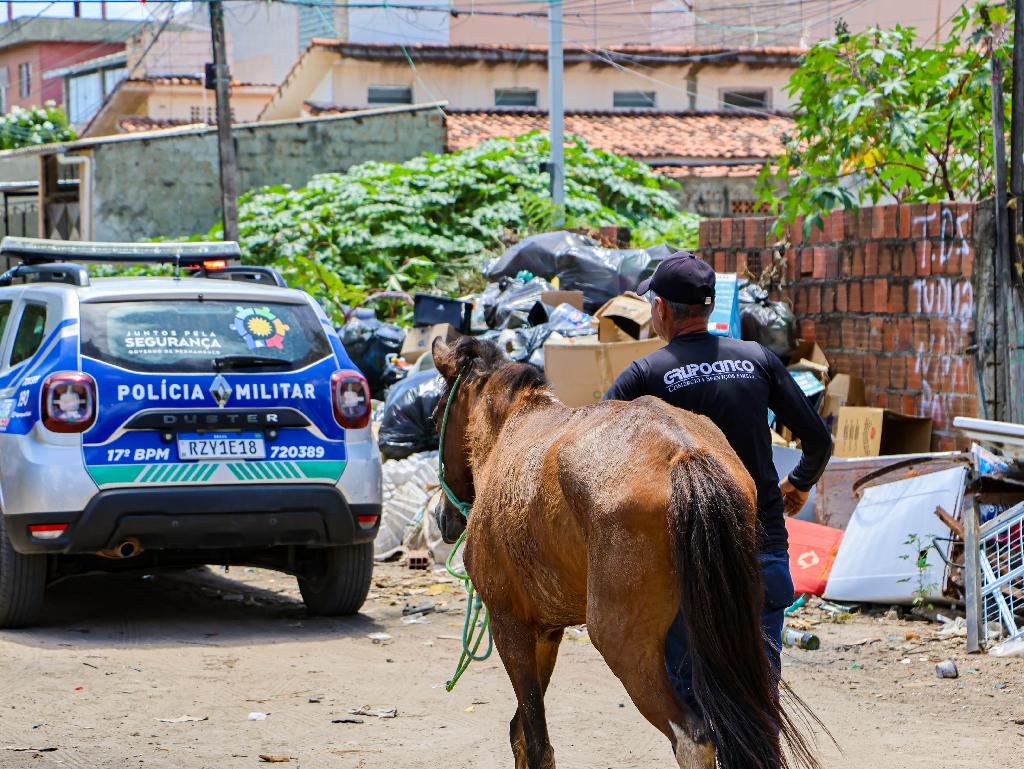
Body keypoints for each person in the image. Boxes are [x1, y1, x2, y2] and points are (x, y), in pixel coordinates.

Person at [604, 251, 832, 713]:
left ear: (662, 309)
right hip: (761, 548)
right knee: (758, 700)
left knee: (692, 704)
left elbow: (599, 455)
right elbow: (818, 440)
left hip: (686, 563)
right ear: (709, 308)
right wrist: (799, 482)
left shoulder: (644, 376)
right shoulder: (757, 360)